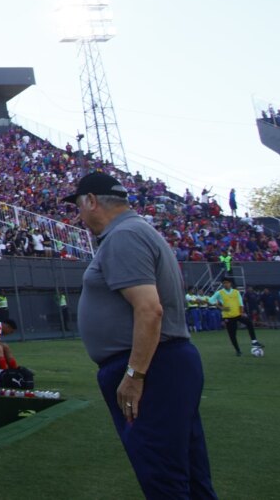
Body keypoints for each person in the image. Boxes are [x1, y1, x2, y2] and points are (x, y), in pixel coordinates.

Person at [70, 172, 216, 499]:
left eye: (79, 205)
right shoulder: (135, 231)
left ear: (91, 201)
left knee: (164, 478)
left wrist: (135, 374)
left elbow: (150, 310)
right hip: (163, 364)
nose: (78, 215)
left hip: (152, 367)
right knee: (187, 475)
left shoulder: (124, 236)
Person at [209, 277, 263, 358]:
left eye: (227, 282)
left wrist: (242, 312)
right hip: (228, 317)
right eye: (224, 283)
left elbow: (240, 303)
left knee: (249, 322)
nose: (225, 284)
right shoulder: (219, 293)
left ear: (230, 283)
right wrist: (221, 307)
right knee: (232, 334)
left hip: (238, 314)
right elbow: (210, 300)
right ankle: (238, 350)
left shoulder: (236, 292)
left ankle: (254, 341)